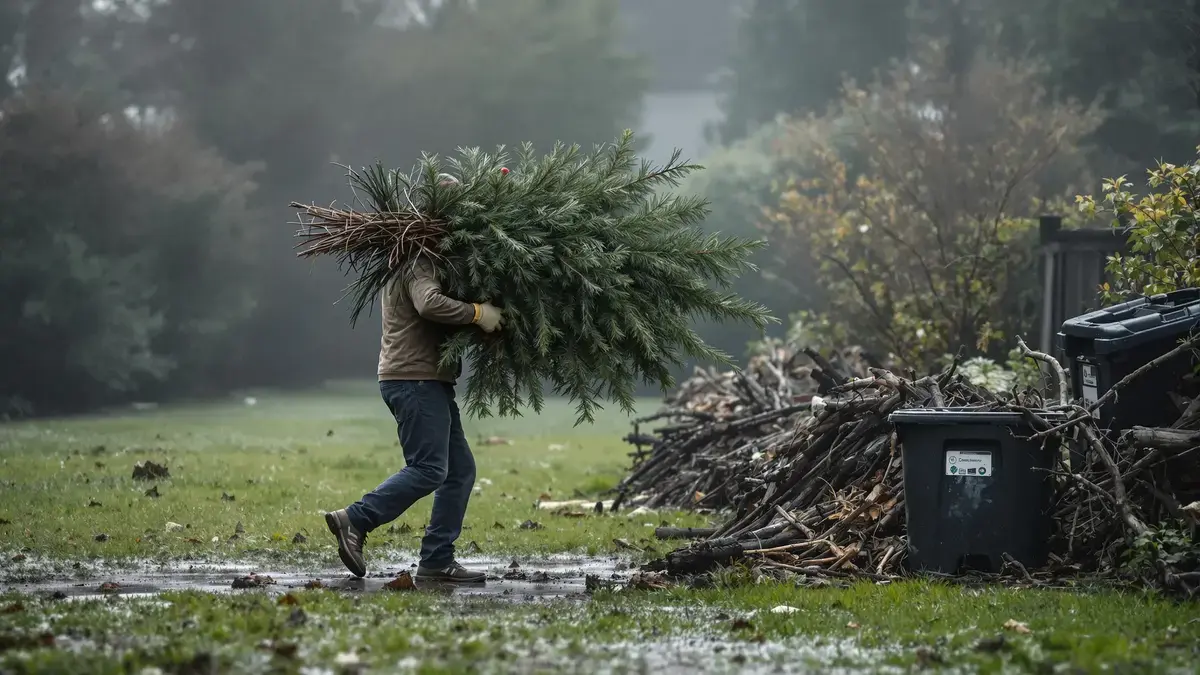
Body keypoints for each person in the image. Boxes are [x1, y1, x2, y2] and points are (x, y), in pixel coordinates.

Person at [324, 254, 503, 582]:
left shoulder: (414, 261)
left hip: (423, 379)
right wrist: (477, 313)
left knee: (459, 471)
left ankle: (436, 559)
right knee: (429, 468)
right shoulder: (421, 261)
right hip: (415, 380)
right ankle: (356, 519)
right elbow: (429, 304)